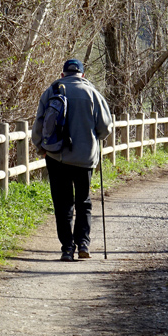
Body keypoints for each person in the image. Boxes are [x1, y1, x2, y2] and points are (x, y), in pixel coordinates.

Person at [32, 59, 113, 261]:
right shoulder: (93, 93)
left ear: (63, 75)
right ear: (82, 75)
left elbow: (39, 123)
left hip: (56, 156)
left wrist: (40, 147)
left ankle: (67, 248)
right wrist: (94, 139)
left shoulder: (51, 91)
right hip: (85, 158)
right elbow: (105, 128)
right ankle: (83, 243)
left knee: (62, 203)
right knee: (83, 201)